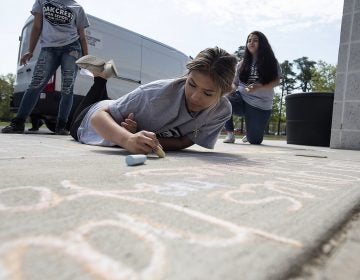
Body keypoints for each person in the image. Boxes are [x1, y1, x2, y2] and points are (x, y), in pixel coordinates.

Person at [70, 47, 238, 154]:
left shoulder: (221, 111)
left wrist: (143, 138)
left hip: (120, 111)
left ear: (224, 92)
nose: (195, 96)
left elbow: (183, 141)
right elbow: (98, 118)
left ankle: (102, 77)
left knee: (115, 105)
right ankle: (101, 79)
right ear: (187, 76)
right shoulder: (154, 93)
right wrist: (127, 139)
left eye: (208, 93)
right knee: (75, 122)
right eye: (191, 84)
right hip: (90, 118)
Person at [2, 0, 89, 135]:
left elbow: (82, 36)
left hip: (72, 48)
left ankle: (61, 126)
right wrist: (30, 50)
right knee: (35, 84)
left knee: (67, 88)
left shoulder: (77, 7)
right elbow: (36, 27)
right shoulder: (42, 1)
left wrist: (86, 58)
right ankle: (18, 123)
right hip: (49, 48)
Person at [223, 31, 281, 144]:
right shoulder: (241, 64)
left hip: (260, 105)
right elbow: (235, 83)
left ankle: (250, 134)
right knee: (223, 99)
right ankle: (230, 134)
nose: (251, 43)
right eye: (249, 41)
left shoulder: (271, 61)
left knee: (254, 140)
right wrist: (231, 89)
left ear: (262, 43)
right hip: (242, 99)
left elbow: (277, 81)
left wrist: (258, 86)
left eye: (255, 40)